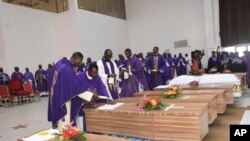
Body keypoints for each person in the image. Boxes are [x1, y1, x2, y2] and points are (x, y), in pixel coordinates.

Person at [48, 52, 91, 130]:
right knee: (64, 119)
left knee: (59, 120)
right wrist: (90, 95)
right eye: (79, 61)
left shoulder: (61, 62)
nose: (80, 63)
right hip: (63, 97)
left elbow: (50, 73)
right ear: (74, 58)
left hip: (56, 94)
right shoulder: (67, 69)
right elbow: (75, 86)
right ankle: (64, 134)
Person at [77, 63, 111, 131]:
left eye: (96, 73)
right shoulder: (80, 76)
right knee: (84, 126)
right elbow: (78, 91)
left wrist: (108, 98)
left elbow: (102, 88)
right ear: (88, 71)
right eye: (94, 73)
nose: (95, 75)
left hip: (94, 104)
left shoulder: (97, 77)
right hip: (82, 104)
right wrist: (88, 100)